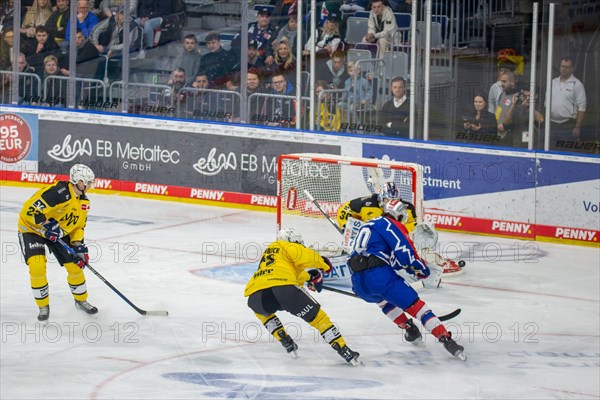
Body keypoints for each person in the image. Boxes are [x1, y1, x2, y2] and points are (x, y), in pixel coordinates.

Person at [347, 199, 466, 360]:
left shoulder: (367, 225)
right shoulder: (389, 224)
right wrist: (420, 269)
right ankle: (446, 339)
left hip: (358, 282)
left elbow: (383, 257)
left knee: (383, 302)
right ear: (399, 214)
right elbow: (404, 249)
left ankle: (410, 329)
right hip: (379, 276)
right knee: (418, 308)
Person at [244, 228, 360, 365]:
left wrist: (310, 277)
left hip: (256, 295)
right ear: (291, 241)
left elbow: (289, 275)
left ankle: (284, 339)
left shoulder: (273, 254)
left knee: (263, 314)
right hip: (284, 289)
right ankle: (343, 348)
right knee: (318, 318)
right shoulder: (285, 245)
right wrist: (323, 263)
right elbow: (302, 255)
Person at [17, 164, 98, 321]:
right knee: (37, 265)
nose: (89, 186)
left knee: (75, 266)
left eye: (90, 183)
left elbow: (78, 226)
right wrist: (46, 224)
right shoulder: (57, 193)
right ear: (78, 181)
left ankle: (81, 301)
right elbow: (28, 211)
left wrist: (78, 245)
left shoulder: (84, 203)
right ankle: (43, 306)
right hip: (32, 230)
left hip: (56, 233)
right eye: (87, 182)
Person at [337, 181, 462, 276]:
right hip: (370, 241)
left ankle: (428, 262)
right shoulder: (367, 203)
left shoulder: (406, 209)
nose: (389, 203)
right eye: (386, 199)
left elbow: (411, 230)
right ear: (380, 197)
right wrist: (345, 227)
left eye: (394, 199)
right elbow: (344, 209)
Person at [549, 56, 586, 147]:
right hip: (551, 125)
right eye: (562, 66)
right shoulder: (552, 83)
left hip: (568, 126)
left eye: (567, 67)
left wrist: (577, 127)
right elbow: (546, 104)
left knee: (566, 151)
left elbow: (582, 108)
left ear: (572, 68)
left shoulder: (577, 84)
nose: (564, 69)